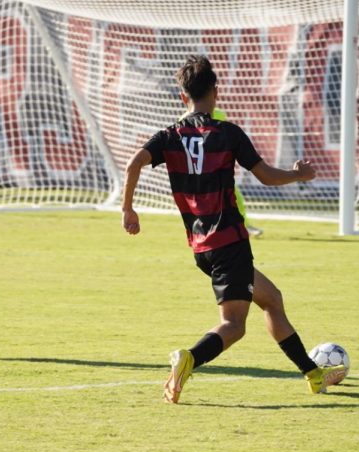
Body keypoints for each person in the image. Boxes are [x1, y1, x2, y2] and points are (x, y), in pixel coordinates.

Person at [122, 55, 345, 403]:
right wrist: (299, 175)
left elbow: (134, 162)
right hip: (229, 241)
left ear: (183, 97)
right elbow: (267, 176)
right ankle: (190, 359)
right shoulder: (227, 134)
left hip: (202, 247)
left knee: (272, 300)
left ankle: (313, 374)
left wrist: (128, 209)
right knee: (234, 325)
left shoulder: (169, 136)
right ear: (216, 91)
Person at [181, 107, 263, 238]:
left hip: (218, 170)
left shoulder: (219, 114)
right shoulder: (184, 120)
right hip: (200, 172)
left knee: (236, 198)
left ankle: (244, 225)